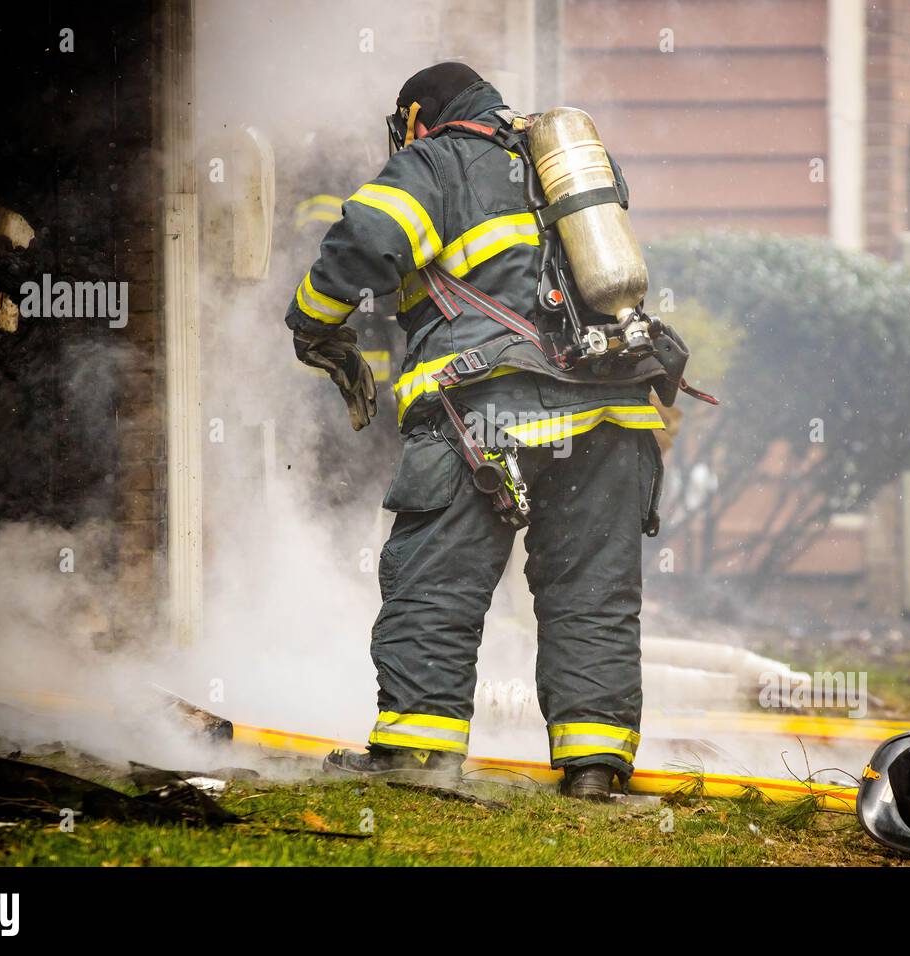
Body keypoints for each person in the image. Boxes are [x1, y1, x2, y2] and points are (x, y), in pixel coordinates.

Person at [285, 62, 672, 800]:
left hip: (487, 414)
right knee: (591, 591)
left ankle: (418, 752)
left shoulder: (430, 162)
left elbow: (368, 237)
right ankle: (594, 769)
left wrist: (310, 319)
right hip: (615, 410)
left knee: (437, 578)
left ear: (418, 117)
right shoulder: (565, 163)